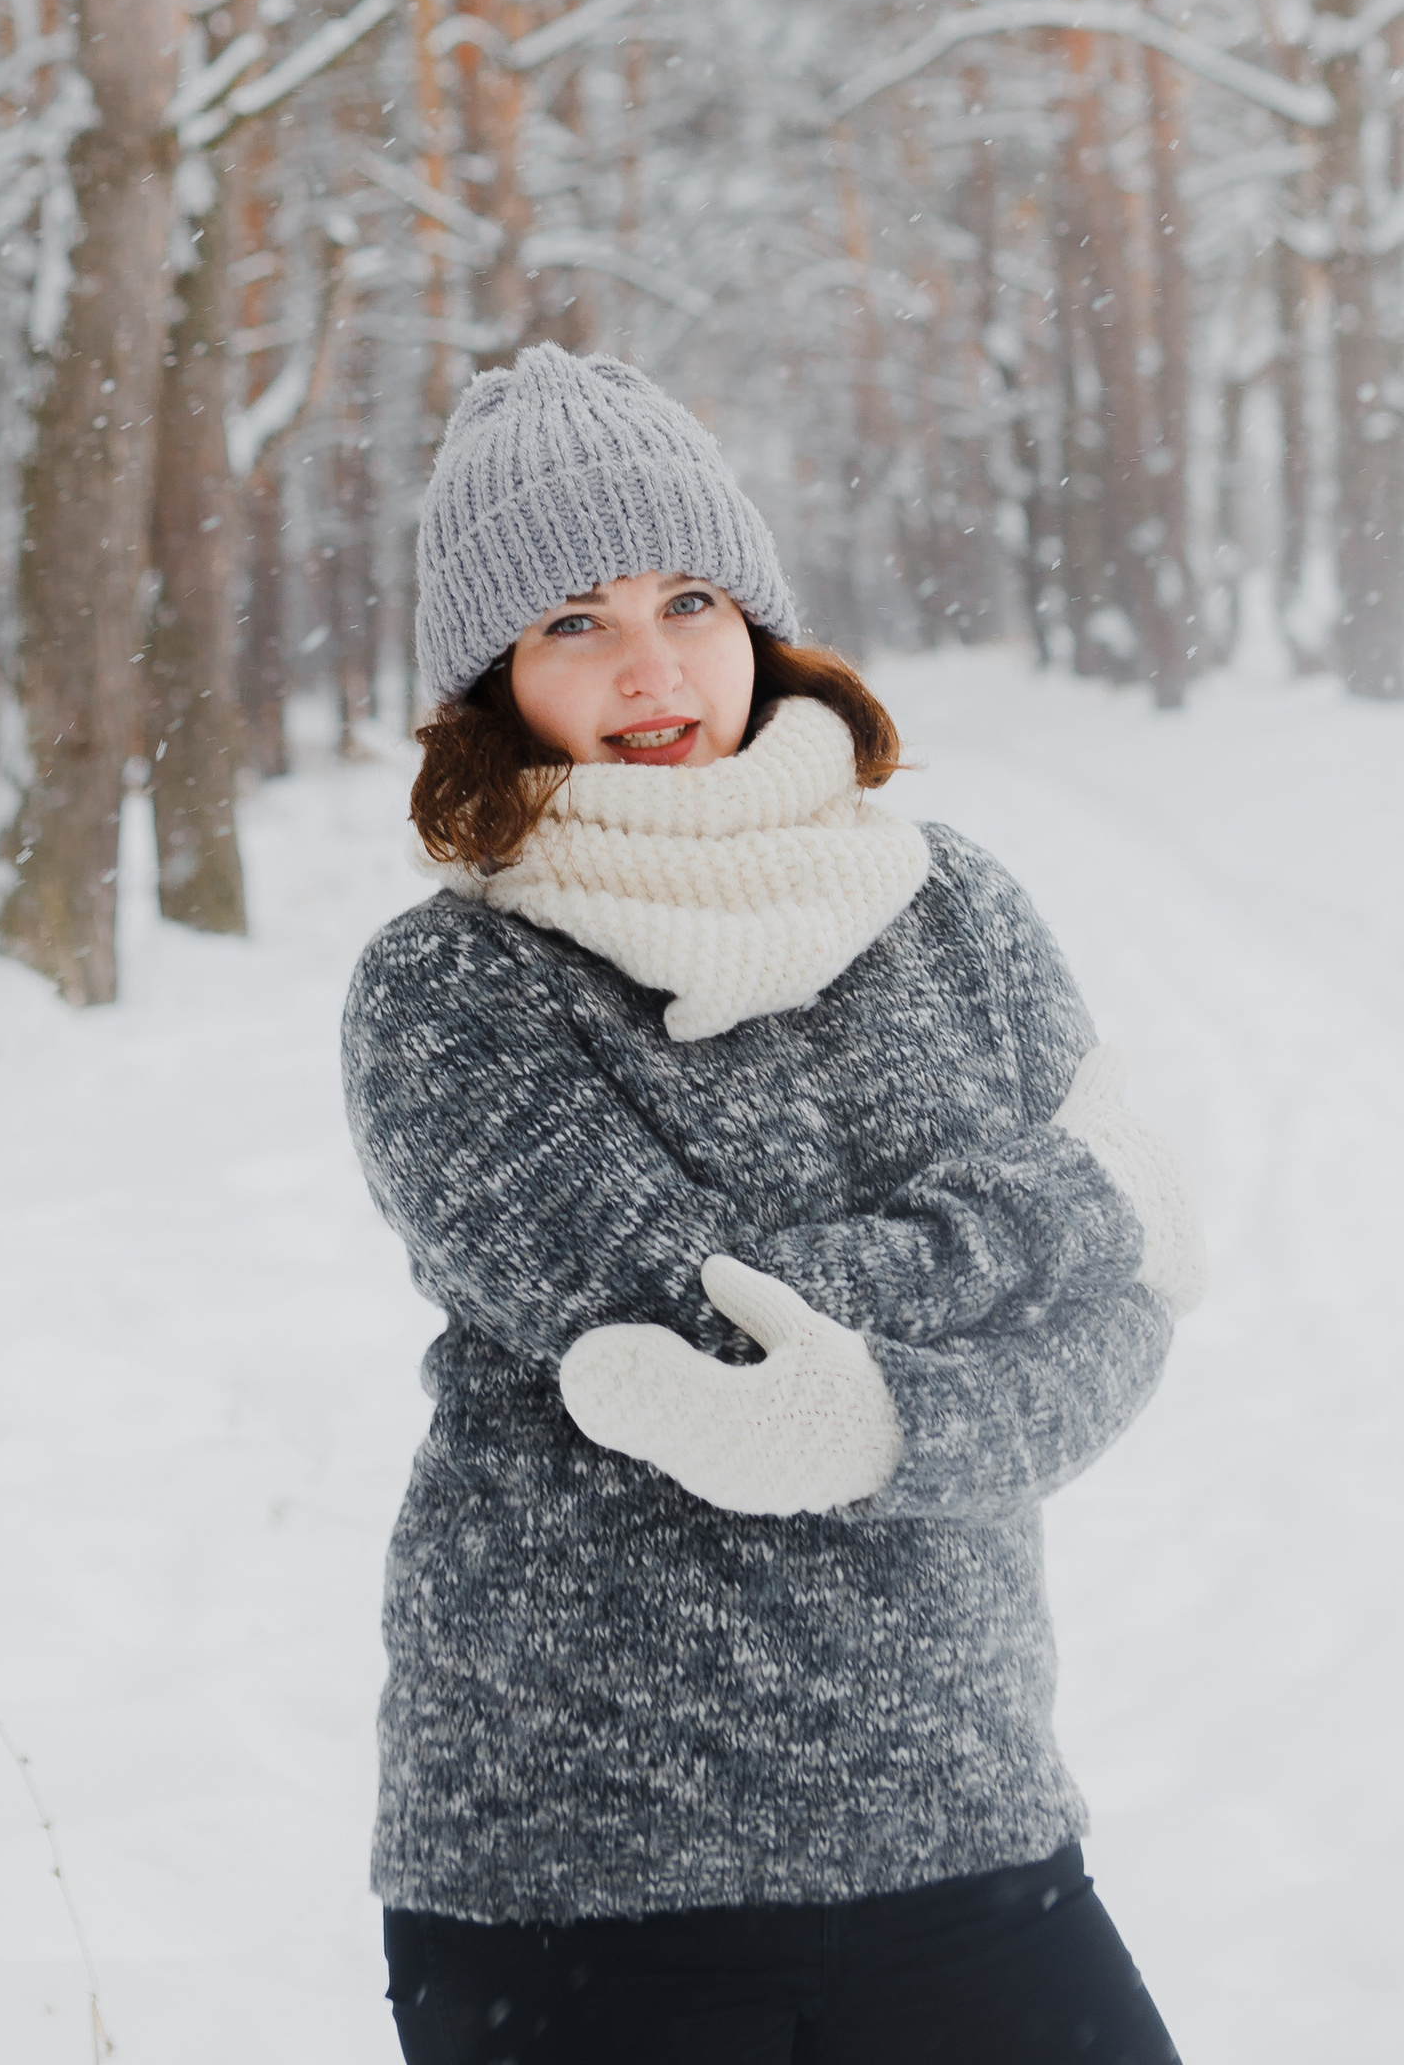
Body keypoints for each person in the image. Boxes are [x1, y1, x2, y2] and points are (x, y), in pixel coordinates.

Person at [342, 345, 1205, 2064]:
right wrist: (1071, 1199)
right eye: (575, 621)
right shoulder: (449, 987)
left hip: (964, 1815)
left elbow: (1117, 1330)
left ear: (760, 620)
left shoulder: (956, 910)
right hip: (581, 1888)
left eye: (689, 600)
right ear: (496, 681)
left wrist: (880, 1422)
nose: (652, 665)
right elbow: (692, 1346)